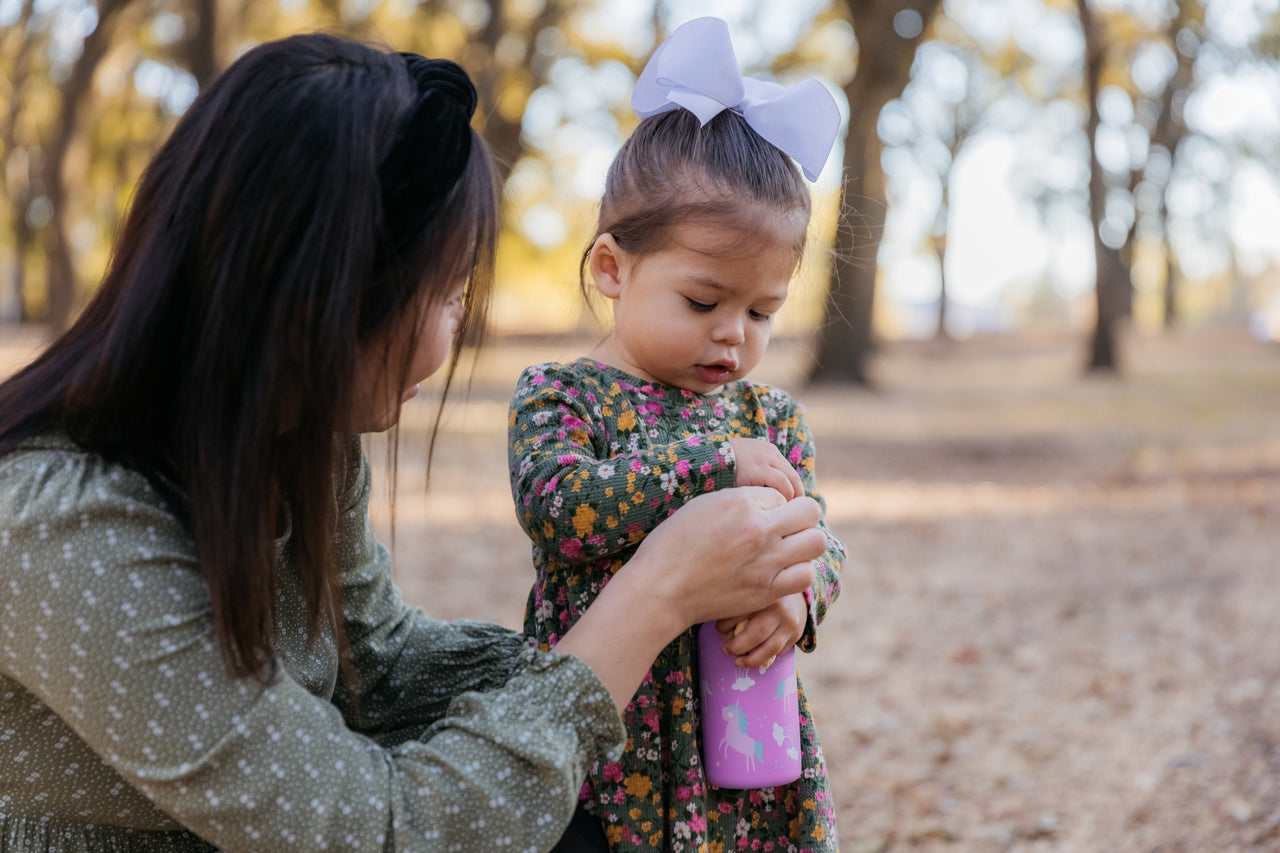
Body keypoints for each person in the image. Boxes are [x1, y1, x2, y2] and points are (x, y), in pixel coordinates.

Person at [0, 33, 828, 852]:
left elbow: (377, 663)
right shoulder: (69, 530)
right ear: (327, 300)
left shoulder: (302, 443)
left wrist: (682, 627)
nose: (459, 328)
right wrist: (654, 597)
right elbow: (384, 829)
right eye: (446, 293)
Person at [507, 17, 847, 853]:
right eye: (704, 302)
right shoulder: (563, 397)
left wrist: (798, 599)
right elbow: (562, 507)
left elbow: (820, 536)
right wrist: (709, 468)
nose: (734, 335)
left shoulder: (768, 418)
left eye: (763, 311)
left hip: (744, 741)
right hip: (608, 743)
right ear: (612, 269)